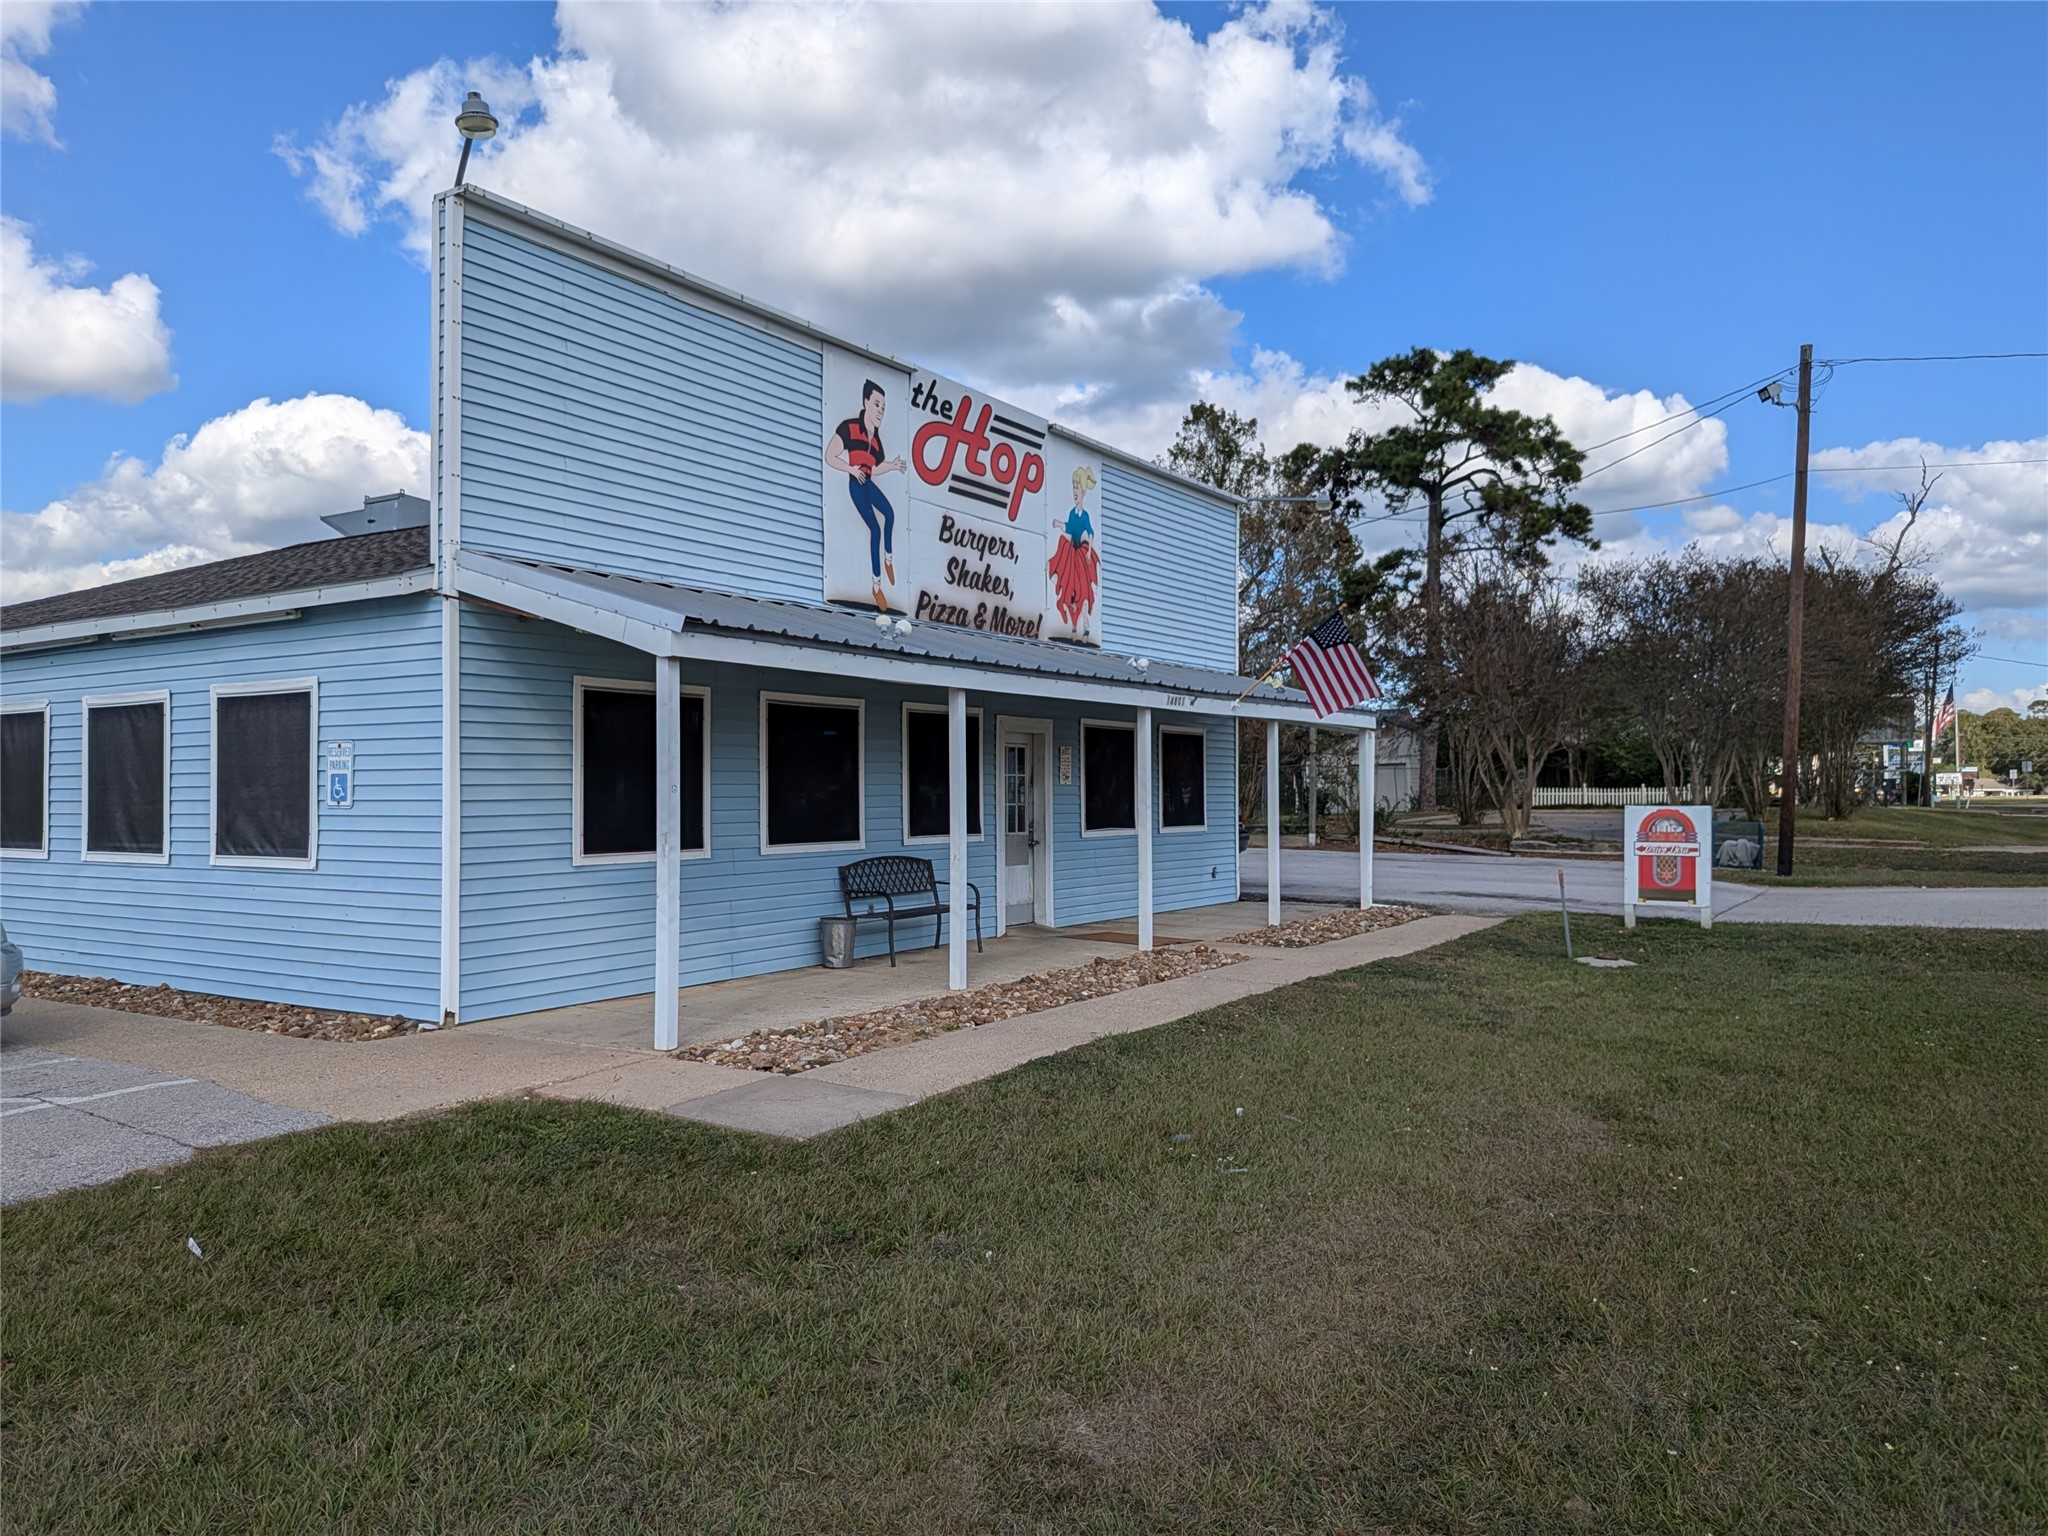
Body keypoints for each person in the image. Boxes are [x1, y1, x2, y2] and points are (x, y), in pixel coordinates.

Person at [824, 380, 907, 612]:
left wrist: (891, 465)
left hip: (868, 483)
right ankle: (876, 586)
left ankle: (888, 560)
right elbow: (829, 456)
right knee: (876, 529)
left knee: (890, 514)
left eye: (884, 406)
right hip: (856, 486)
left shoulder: (877, 440)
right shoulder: (849, 428)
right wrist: (851, 469)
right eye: (877, 404)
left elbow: (874, 468)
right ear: (865, 403)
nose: (881, 410)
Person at [1047, 464, 1100, 637]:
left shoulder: (1085, 516)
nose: (1074, 491)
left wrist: (1089, 550)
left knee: (1083, 590)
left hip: (1081, 555)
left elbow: (1090, 532)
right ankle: (1074, 624)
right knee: (1069, 587)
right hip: (1071, 553)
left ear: (1082, 492)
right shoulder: (1071, 512)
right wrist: (1058, 524)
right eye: (1073, 488)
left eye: (1076, 488)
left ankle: (1085, 623)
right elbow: (1069, 528)